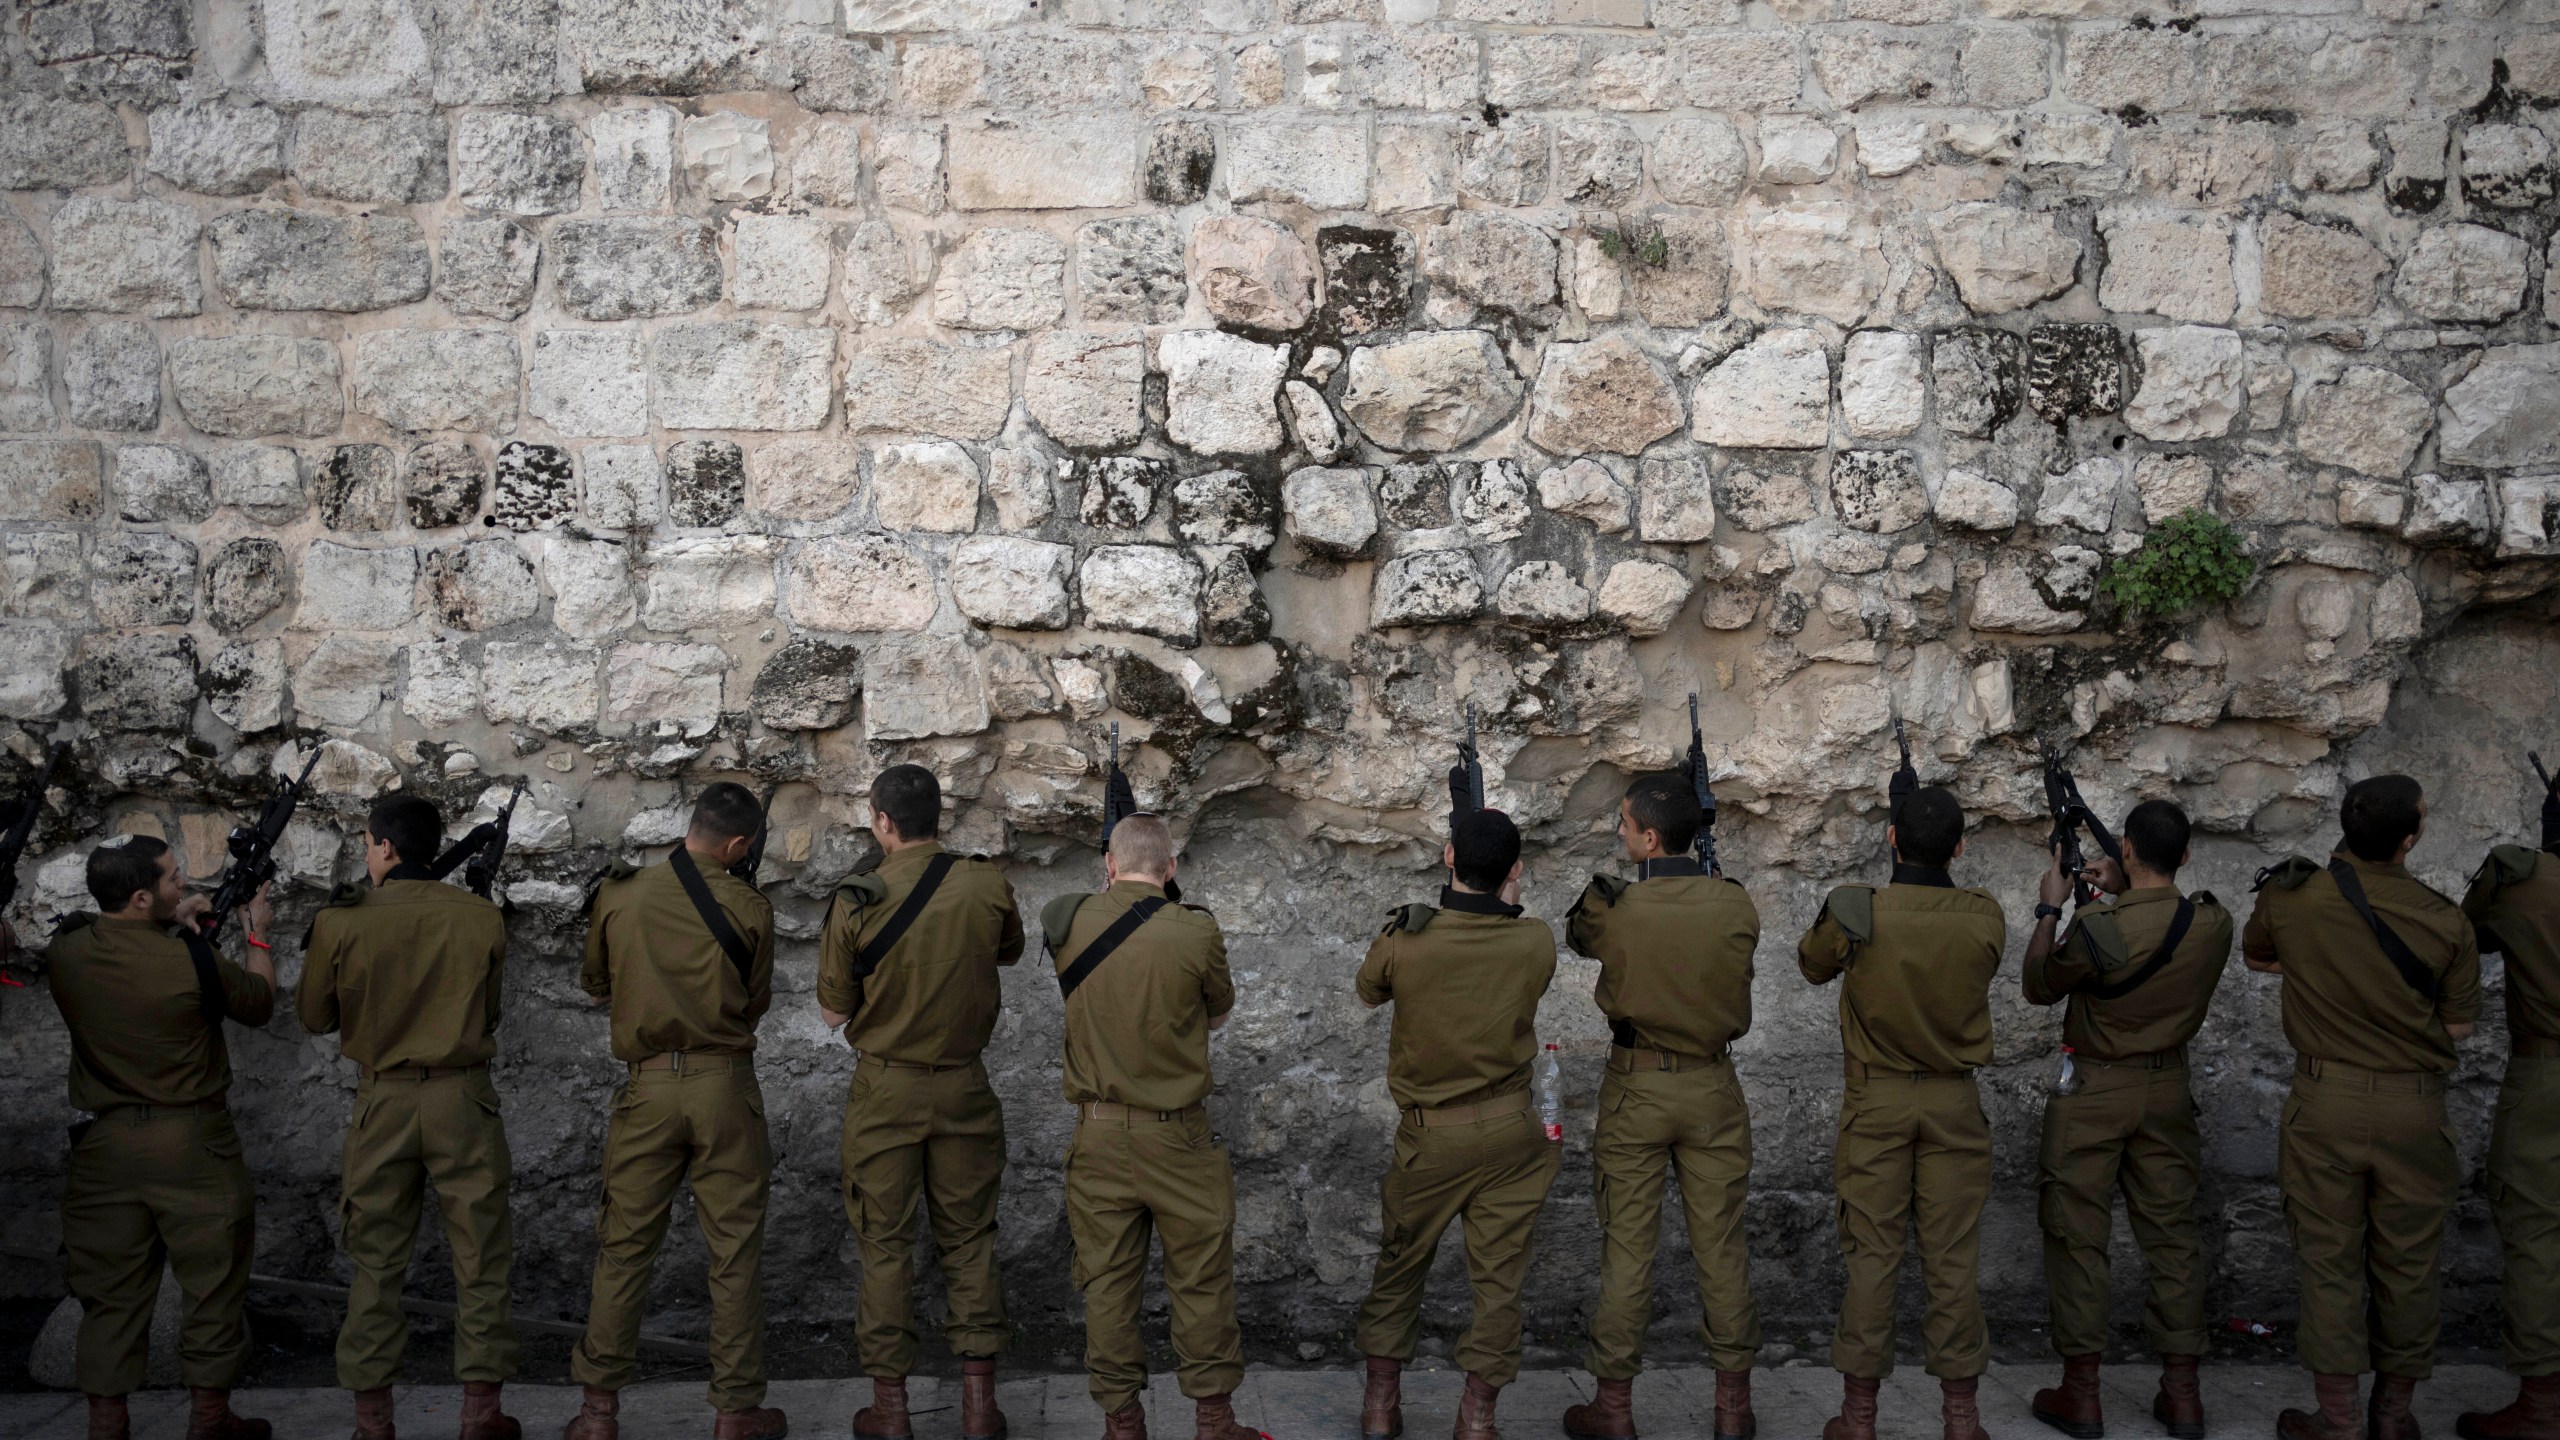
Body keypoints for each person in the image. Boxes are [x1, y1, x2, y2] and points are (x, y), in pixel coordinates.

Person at [2245, 774, 2480, 1440]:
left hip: (2327, 1101)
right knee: (2409, 1264)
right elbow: (2459, 1027)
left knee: (2329, 1258)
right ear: (2409, 840)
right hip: (2414, 1106)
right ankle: (2394, 1416)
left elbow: (2259, 956)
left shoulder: (2293, 898)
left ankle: (2339, 1419)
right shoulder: (2444, 918)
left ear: (2346, 827)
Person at [566, 783, 784, 1440]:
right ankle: (736, 1412)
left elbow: (596, 985)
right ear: (739, 846)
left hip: (649, 1090)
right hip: (723, 1088)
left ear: (691, 828)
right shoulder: (750, 908)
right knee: (734, 1251)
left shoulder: (618, 893)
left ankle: (598, 1413)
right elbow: (753, 1006)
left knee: (624, 1248)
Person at [300, 795, 519, 1440]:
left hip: (384, 1100)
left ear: (388, 848)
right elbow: (488, 1016)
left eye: (368, 843)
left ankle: (374, 1425)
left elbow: (315, 1017)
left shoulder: (341, 922)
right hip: (462, 1098)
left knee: (375, 1264)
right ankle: (480, 1416)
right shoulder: (481, 918)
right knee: (480, 1259)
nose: (367, 855)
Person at [45, 835, 277, 1440]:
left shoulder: (67, 949)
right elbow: (257, 1003)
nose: (185, 887)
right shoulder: (192, 961)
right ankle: (209, 1420)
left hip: (104, 1149)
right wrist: (258, 934)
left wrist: (168, 918)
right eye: (175, 880)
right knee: (212, 1285)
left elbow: (117, 939)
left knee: (110, 1295)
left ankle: (106, 1423)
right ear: (143, 895)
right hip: (192, 1142)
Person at [819, 765, 1024, 1440]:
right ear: (940, 817)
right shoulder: (985, 883)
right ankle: (978, 1409)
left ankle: (892, 1410)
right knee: (970, 1239)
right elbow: (1009, 952)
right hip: (964, 1081)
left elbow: (830, 1011)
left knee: (885, 1244)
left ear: (881, 820)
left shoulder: (857, 898)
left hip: (886, 1089)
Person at [1797, 784, 2007, 1440]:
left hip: (1878, 1097)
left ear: (1891, 839)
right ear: (1961, 846)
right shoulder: (1984, 915)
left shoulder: (1859, 911)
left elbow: (1810, 965)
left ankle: (1859, 1419)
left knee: (1872, 1254)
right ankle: (1962, 1419)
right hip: (1954, 1099)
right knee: (1952, 1257)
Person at [2018, 800, 2233, 1440]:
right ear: (2187, 856)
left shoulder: (2094, 931)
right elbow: (2158, 919)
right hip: (2168, 1088)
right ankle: (2183, 1394)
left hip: (2095, 1092)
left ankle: (2082, 1395)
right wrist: (2125, 891)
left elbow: (2038, 982)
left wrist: (2054, 905)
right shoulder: (2212, 923)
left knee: (2078, 1236)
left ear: (2128, 851)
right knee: (2172, 1236)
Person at [1039, 812, 1253, 1440]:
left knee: (1106, 1284)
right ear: (1172, 869)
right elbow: (1215, 1018)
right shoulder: (1194, 932)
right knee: (1201, 1280)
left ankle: (1122, 1423)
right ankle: (1214, 1422)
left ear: (1107, 865)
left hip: (1100, 1132)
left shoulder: (1068, 920)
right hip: (1178, 1135)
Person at [1560, 774, 1761, 1440]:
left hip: (1638, 1084)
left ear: (1649, 838)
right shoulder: (1734, 904)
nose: (1618, 833)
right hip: (1711, 1087)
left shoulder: (1614, 906)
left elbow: (1579, 937)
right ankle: (1733, 1409)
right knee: (1722, 1250)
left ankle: (1613, 1409)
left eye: (1624, 824)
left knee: (1627, 1251)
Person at [1353, 808, 1559, 1440]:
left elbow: (1368, 990)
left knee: (1400, 1264)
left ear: (1448, 858)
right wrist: (1510, 907)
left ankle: (1382, 1406)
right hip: (1510, 1131)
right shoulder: (1535, 940)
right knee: (1499, 1281)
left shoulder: (1407, 937)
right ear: (1515, 870)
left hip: (1432, 1136)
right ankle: (1477, 1419)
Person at [2457, 764, 2560, 1440]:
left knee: (2538, 1234)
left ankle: (2543, 1406)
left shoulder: (2520, 876)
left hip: (2546, 1075)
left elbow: (2471, 936)